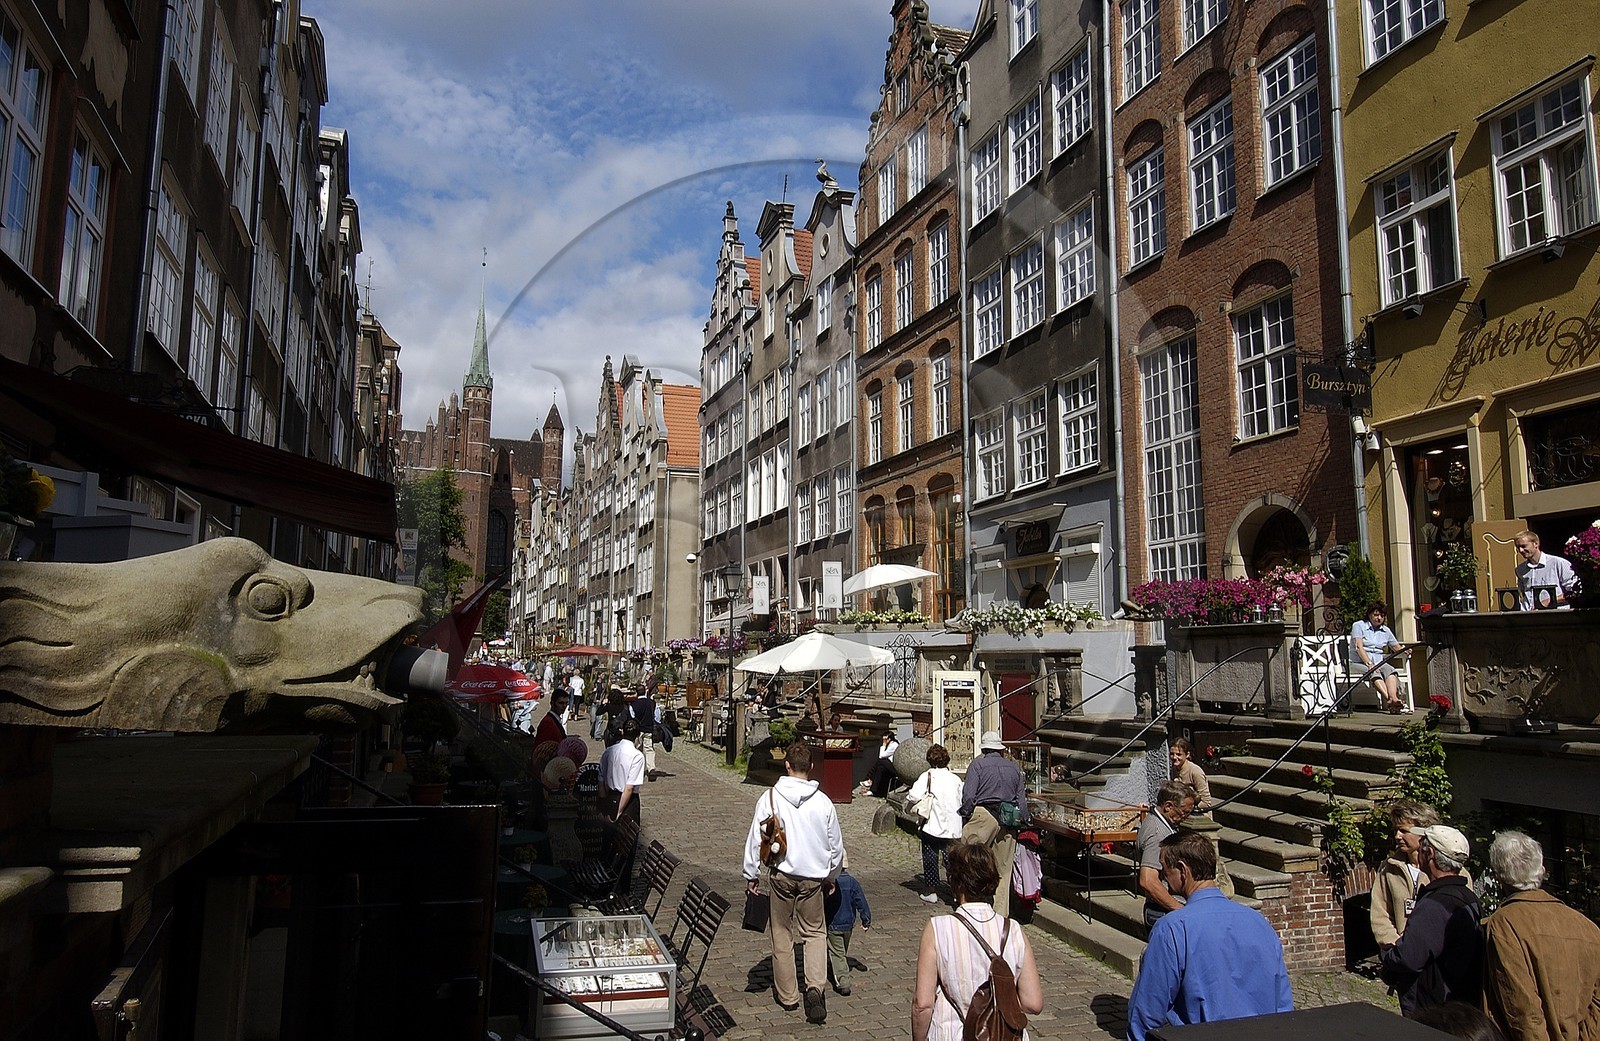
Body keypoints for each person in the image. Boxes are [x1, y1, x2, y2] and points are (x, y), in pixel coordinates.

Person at [1127, 831, 1293, 1040]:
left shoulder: (1173, 928)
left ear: (1182, 870)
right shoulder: (1259, 922)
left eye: (1164, 868)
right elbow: (1283, 1002)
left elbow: (1147, 1013)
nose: (1161, 875)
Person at [743, 741, 844, 1025]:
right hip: (813, 877)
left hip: (781, 874)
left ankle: (788, 995)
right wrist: (832, 876)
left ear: (786, 766)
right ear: (811, 767)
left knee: (782, 932)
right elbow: (835, 846)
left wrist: (751, 874)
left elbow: (756, 837)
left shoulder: (771, 797)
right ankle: (815, 987)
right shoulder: (823, 801)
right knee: (814, 933)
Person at [912, 840, 1044, 1041]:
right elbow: (1033, 1003)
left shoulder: (938, 929)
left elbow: (923, 1004)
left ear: (956, 883)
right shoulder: (1014, 930)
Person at [1481, 830, 1600, 1041]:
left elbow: (1520, 1007)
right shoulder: (1587, 927)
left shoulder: (1505, 923)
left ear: (1498, 875)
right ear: (1543, 871)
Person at [1380, 824, 1484, 1016]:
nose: (1418, 851)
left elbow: (1409, 958)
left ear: (1430, 855)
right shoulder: (1469, 897)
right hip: (1461, 1005)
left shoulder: (1435, 904)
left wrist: (1387, 956)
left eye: (1421, 849)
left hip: (1433, 1010)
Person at [1372, 799, 1463, 952]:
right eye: (1395, 830)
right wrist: (1396, 946)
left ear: (1423, 833)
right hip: (1399, 956)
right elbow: (1380, 914)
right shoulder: (1389, 868)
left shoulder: (1448, 869)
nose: (1397, 836)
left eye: (1404, 831)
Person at [960, 731, 1030, 916]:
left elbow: (969, 795)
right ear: (1000, 749)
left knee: (971, 860)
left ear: (984, 748)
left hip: (983, 815)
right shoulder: (1014, 768)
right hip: (1007, 818)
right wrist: (1025, 819)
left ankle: (972, 903)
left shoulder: (978, 765)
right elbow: (1021, 799)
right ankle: (1000, 913)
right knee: (1004, 867)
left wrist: (966, 813)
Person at [1136, 781, 1197, 932]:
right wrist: (1179, 909)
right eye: (1184, 812)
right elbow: (1147, 880)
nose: (1186, 817)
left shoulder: (1154, 821)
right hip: (1163, 911)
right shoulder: (1158, 834)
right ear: (1168, 806)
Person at [907, 743, 964, 903]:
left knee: (930, 857)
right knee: (952, 862)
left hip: (932, 824)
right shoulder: (955, 779)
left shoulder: (927, 776)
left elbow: (913, 796)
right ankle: (957, 893)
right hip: (953, 826)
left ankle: (932, 891)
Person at [598, 720, 645, 881]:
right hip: (627, 802)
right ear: (637, 736)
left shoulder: (609, 751)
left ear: (622, 732)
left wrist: (605, 807)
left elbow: (601, 782)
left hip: (610, 795)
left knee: (608, 840)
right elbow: (629, 787)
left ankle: (604, 878)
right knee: (627, 844)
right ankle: (621, 884)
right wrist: (618, 811)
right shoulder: (637, 756)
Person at [1351, 601, 1410, 713]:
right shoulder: (1358, 626)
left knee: (1390, 670)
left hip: (1379, 663)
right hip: (1358, 663)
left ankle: (1394, 699)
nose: (1379, 618)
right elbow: (1359, 647)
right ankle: (1392, 701)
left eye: (1382, 616)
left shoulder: (1385, 630)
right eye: (1376, 615)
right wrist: (1369, 664)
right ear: (1369, 614)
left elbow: (1395, 647)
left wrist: (1405, 650)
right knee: (1374, 671)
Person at [824, 861, 872, 996]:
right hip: (848, 924)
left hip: (833, 924)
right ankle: (835, 967)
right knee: (841, 950)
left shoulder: (828, 882)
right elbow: (861, 901)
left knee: (838, 953)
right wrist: (866, 919)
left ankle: (843, 982)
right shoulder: (852, 882)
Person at [1514, 531, 1579, 610]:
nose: (1521, 550)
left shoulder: (1558, 563)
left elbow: (1575, 591)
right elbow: (1523, 594)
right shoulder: (1520, 570)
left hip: (1555, 616)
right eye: (1518, 547)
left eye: (1523, 546)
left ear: (1536, 544)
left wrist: (1549, 601)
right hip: (1529, 616)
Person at [1169, 739, 1210, 811]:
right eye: (1172, 754)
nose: (1174, 757)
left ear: (1187, 754)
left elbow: (1206, 802)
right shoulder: (1173, 770)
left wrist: (1189, 810)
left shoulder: (1195, 771)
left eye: (1179, 754)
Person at [630, 684, 659, 780]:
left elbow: (632, 718)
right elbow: (657, 717)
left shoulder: (634, 705)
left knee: (637, 750)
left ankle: (639, 770)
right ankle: (651, 769)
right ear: (645, 691)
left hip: (638, 730)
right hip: (649, 729)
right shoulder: (652, 703)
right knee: (649, 749)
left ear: (636, 693)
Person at [858, 732, 900, 797]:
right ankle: (873, 791)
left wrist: (883, 745)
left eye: (885, 739)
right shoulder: (889, 745)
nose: (884, 741)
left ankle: (870, 780)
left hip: (894, 768)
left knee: (881, 761)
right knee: (880, 768)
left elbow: (881, 755)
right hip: (886, 767)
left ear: (889, 739)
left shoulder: (893, 745)